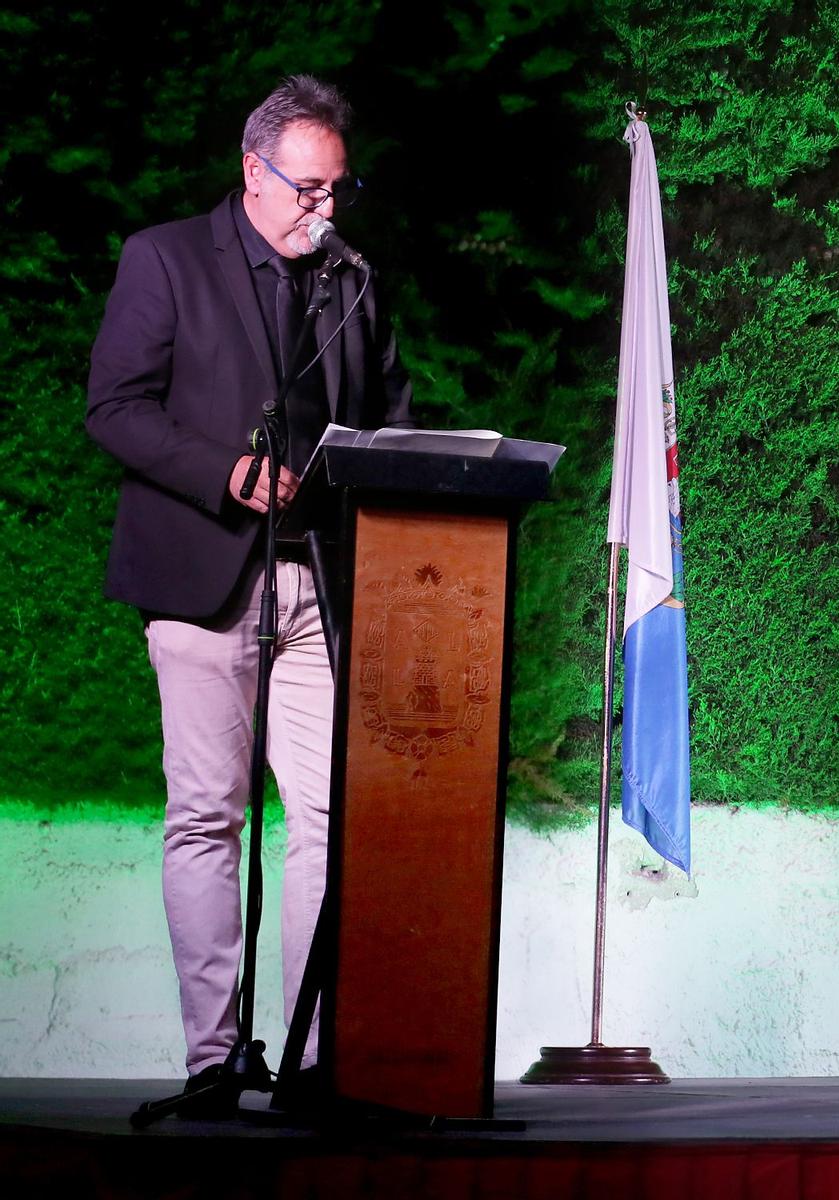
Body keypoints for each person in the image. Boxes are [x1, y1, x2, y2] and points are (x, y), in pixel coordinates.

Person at [85, 75, 412, 1113]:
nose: (324, 207)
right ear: (251, 172)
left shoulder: (353, 281)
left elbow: (393, 417)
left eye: (336, 189)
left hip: (319, 580)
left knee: (328, 818)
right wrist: (223, 470)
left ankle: (318, 1057)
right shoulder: (166, 258)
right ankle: (214, 1059)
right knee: (207, 817)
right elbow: (116, 409)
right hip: (203, 577)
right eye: (307, 188)